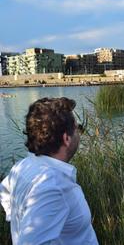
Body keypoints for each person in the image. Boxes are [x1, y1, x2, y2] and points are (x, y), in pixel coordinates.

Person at [0, 97, 98, 245]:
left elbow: (4, 193)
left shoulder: (22, 166)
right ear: (66, 138)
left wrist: (18, 218)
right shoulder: (52, 186)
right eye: (77, 128)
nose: (79, 133)